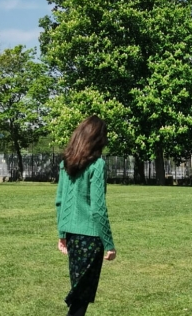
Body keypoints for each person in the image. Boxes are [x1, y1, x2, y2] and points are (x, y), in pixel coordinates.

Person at [55, 115, 116, 316]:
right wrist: (108, 243)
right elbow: (98, 208)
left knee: (79, 294)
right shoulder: (97, 165)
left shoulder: (65, 163)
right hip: (90, 239)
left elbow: (61, 202)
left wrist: (62, 233)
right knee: (81, 298)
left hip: (72, 237)